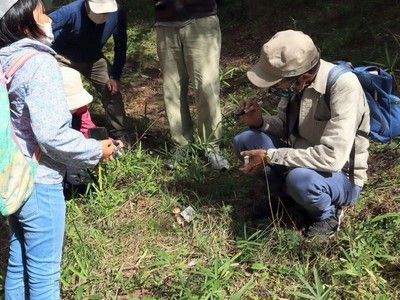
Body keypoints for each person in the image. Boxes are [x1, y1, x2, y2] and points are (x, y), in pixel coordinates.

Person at [0, 0, 120, 298]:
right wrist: (95, 150)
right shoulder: (39, 63)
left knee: (18, 263)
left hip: (13, 176)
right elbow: (52, 135)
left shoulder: (6, 59)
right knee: (44, 275)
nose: (50, 20)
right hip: (40, 181)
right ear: (23, 21)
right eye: (42, 13)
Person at [233, 30, 370, 239]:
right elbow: (286, 125)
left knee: (300, 179)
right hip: (299, 160)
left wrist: (271, 156)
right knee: (245, 141)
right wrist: (259, 122)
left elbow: (332, 158)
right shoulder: (297, 87)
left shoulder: (344, 86)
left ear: (303, 77)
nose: (273, 88)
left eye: (277, 83)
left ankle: (327, 215)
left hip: (338, 175)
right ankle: (285, 197)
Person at [154, 0, 230, 171]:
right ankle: (181, 144)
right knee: (171, 89)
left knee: (206, 85)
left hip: (201, 19)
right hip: (165, 23)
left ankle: (211, 146)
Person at [49, 0, 130, 141]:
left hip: (93, 58)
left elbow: (121, 46)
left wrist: (115, 75)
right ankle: (64, 134)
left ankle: (121, 134)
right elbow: (42, 26)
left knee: (111, 90)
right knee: (67, 93)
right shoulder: (71, 10)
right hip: (63, 57)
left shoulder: (118, 13)